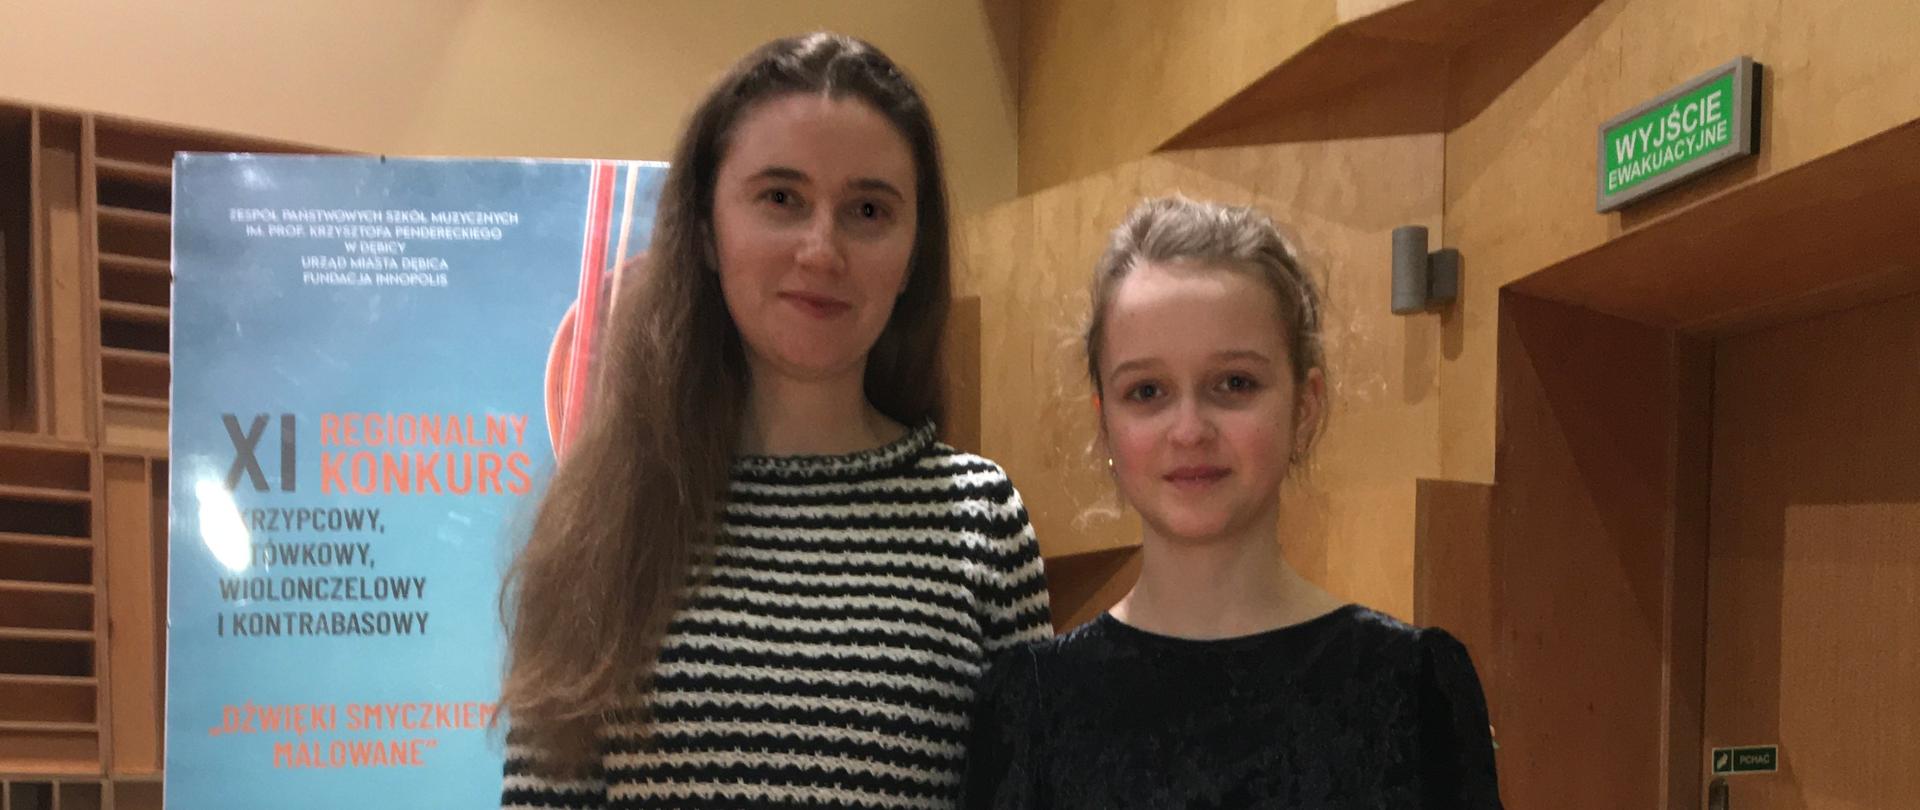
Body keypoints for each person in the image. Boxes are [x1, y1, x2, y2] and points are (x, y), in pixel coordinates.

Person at [499, 32, 1051, 809]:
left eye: (867, 209)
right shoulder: (604, 516)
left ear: (912, 255)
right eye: (782, 199)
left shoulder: (982, 517)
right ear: (706, 232)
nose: (822, 250)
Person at [964, 196, 1502, 809]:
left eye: (1235, 383)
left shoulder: (1414, 687)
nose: (1189, 430)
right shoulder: (1028, 708)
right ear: (1105, 422)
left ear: (1305, 406)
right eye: (1147, 391)